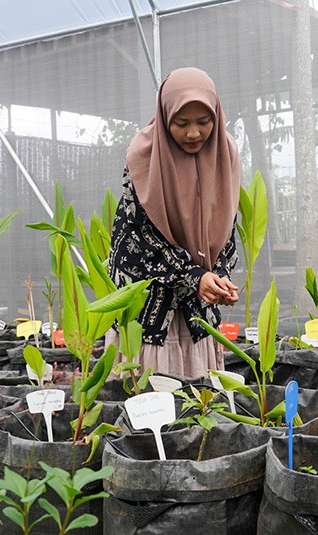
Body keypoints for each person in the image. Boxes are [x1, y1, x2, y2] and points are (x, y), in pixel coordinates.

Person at [106, 67, 241, 378]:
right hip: (150, 306)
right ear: (165, 117)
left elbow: (226, 222)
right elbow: (136, 236)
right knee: (150, 399)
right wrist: (193, 275)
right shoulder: (143, 155)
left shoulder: (226, 152)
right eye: (181, 124)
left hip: (198, 310)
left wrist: (217, 277)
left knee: (198, 406)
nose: (193, 133)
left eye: (204, 122)